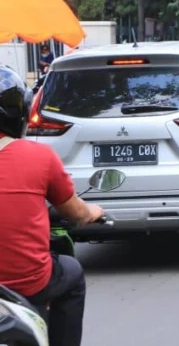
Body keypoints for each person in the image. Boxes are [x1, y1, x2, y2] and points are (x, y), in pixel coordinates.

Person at [0, 65, 105, 346]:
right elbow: (76, 212)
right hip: (26, 283)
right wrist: (93, 212)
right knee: (71, 273)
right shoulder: (39, 157)